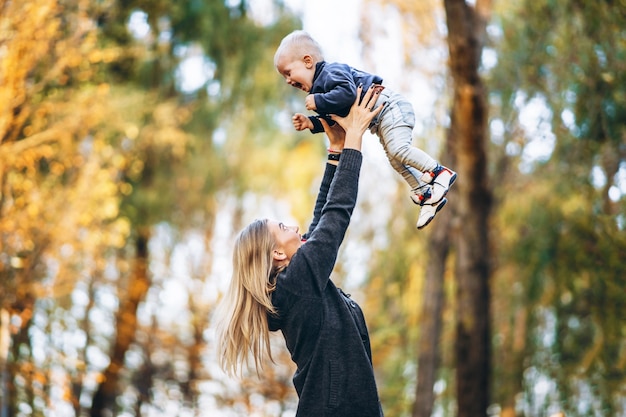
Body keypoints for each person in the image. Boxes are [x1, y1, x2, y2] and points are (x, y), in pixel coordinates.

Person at [216, 85, 385, 416]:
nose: (294, 227)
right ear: (278, 254)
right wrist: (354, 140)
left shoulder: (297, 285)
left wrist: (335, 150)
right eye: (283, 229)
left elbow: (321, 220)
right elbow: (335, 216)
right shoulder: (296, 285)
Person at [274, 29, 457, 229]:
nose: (288, 81)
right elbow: (335, 120)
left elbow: (347, 93)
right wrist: (311, 123)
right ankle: (426, 194)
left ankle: (439, 172)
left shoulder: (330, 72)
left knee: (399, 150)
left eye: (288, 72)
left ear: (308, 61)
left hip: (389, 107)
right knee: (396, 161)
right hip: (380, 120)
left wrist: (318, 100)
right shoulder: (323, 92)